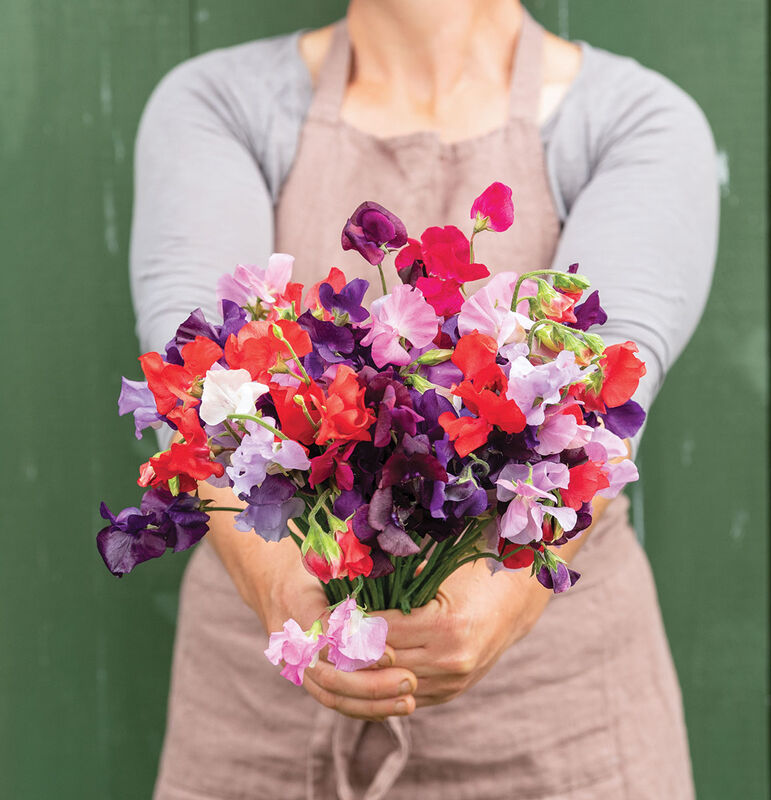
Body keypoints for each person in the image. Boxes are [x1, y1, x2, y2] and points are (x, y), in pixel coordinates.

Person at [130, 1, 718, 797]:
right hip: (261, 728)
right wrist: (290, 592)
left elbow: (600, 402)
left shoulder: (632, 119)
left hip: (557, 731)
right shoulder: (220, 102)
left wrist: (495, 602)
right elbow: (200, 388)